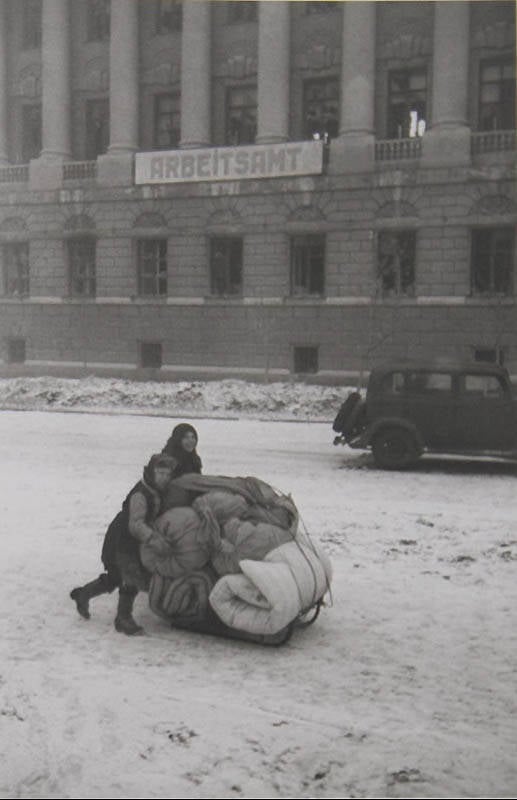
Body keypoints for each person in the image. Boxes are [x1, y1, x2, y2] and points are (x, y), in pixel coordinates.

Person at [70, 453, 176, 636]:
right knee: (131, 578)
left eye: (167, 474)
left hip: (132, 540)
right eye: (160, 473)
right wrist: (153, 539)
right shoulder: (141, 494)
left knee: (116, 577)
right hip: (122, 540)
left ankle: (83, 594)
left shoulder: (155, 490)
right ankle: (123, 619)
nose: (164, 478)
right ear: (152, 472)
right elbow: (135, 524)